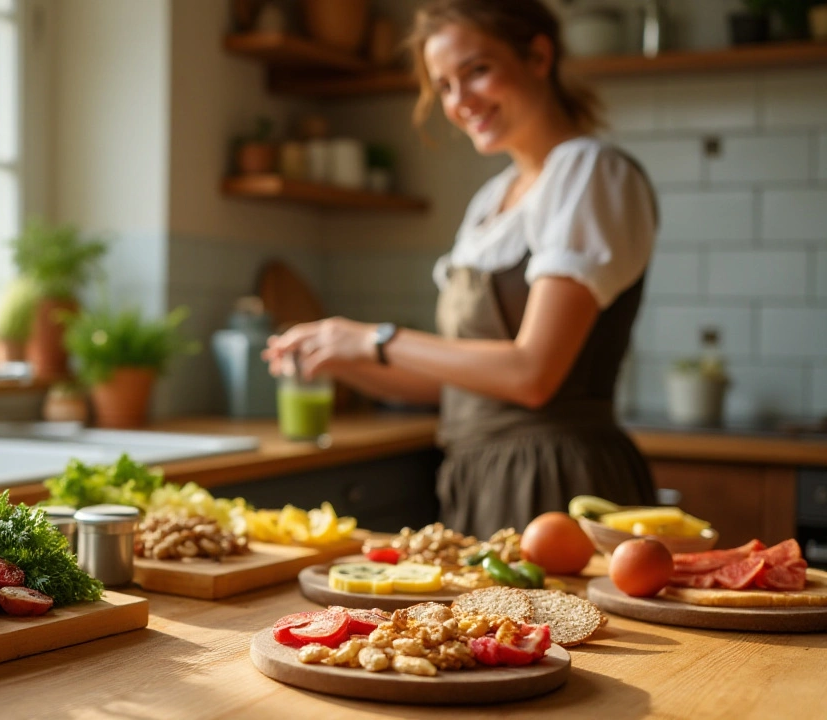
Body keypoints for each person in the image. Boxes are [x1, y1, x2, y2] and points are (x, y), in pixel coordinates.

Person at [264, 0, 658, 539]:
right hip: (477, 480)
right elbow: (455, 385)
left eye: (476, 71)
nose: (459, 101)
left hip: (560, 483)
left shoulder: (589, 172)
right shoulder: (490, 202)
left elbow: (531, 374)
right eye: (444, 85)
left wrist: (375, 338)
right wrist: (336, 355)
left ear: (538, 56)